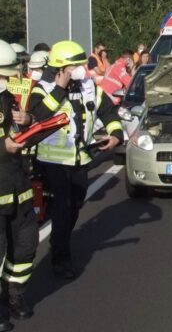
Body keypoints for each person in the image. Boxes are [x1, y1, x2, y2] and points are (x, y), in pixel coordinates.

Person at [28, 40, 123, 280]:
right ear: (62, 67)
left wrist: (115, 135)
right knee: (62, 209)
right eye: (77, 64)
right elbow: (37, 116)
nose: (84, 68)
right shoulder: (44, 88)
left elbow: (108, 112)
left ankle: (60, 242)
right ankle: (61, 257)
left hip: (81, 159)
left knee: (75, 207)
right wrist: (59, 89)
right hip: (53, 162)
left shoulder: (89, 86)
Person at [0, 40, 37, 325]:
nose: (10, 80)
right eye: (4, 75)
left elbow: (16, 129)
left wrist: (28, 119)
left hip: (19, 187)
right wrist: (4, 147)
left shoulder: (9, 97)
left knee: (24, 246)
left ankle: (15, 296)